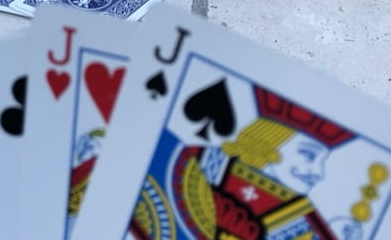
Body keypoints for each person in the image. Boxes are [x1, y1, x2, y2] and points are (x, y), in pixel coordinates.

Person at [129, 86, 367, 240]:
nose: (319, 173)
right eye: (308, 155)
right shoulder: (187, 161)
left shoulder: (306, 226)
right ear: (269, 141)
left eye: (321, 161)